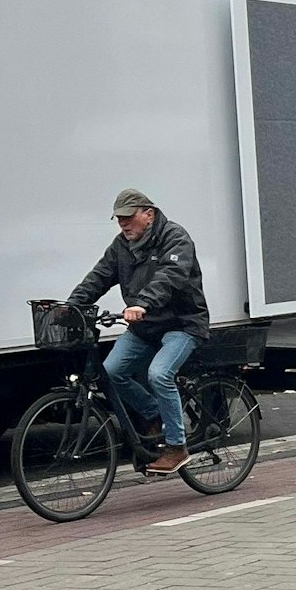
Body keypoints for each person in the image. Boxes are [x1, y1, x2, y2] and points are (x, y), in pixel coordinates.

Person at [67, 188, 209, 475]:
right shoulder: (121, 245)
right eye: (119, 218)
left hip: (182, 324)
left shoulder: (175, 237)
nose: (123, 224)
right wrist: (70, 306)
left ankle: (176, 446)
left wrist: (142, 303)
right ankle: (155, 413)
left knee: (159, 374)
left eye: (128, 217)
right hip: (145, 326)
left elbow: (170, 277)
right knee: (111, 373)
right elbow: (99, 276)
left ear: (149, 214)